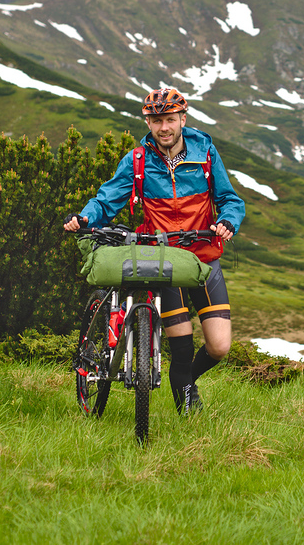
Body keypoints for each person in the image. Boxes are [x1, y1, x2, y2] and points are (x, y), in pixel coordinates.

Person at [64, 87, 245, 414]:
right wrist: (85, 217)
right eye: (156, 120)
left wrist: (229, 220)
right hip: (162, 260)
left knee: (219, 346)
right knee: (182, 343)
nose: (164, 127)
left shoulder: (204, 152)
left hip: (203, 255)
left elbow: (229, 199)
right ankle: (189, 416)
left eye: (170, 119)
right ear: (148, 122)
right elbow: (107, 200)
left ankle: (185, 380)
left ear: (182, 119)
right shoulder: (137, 160)